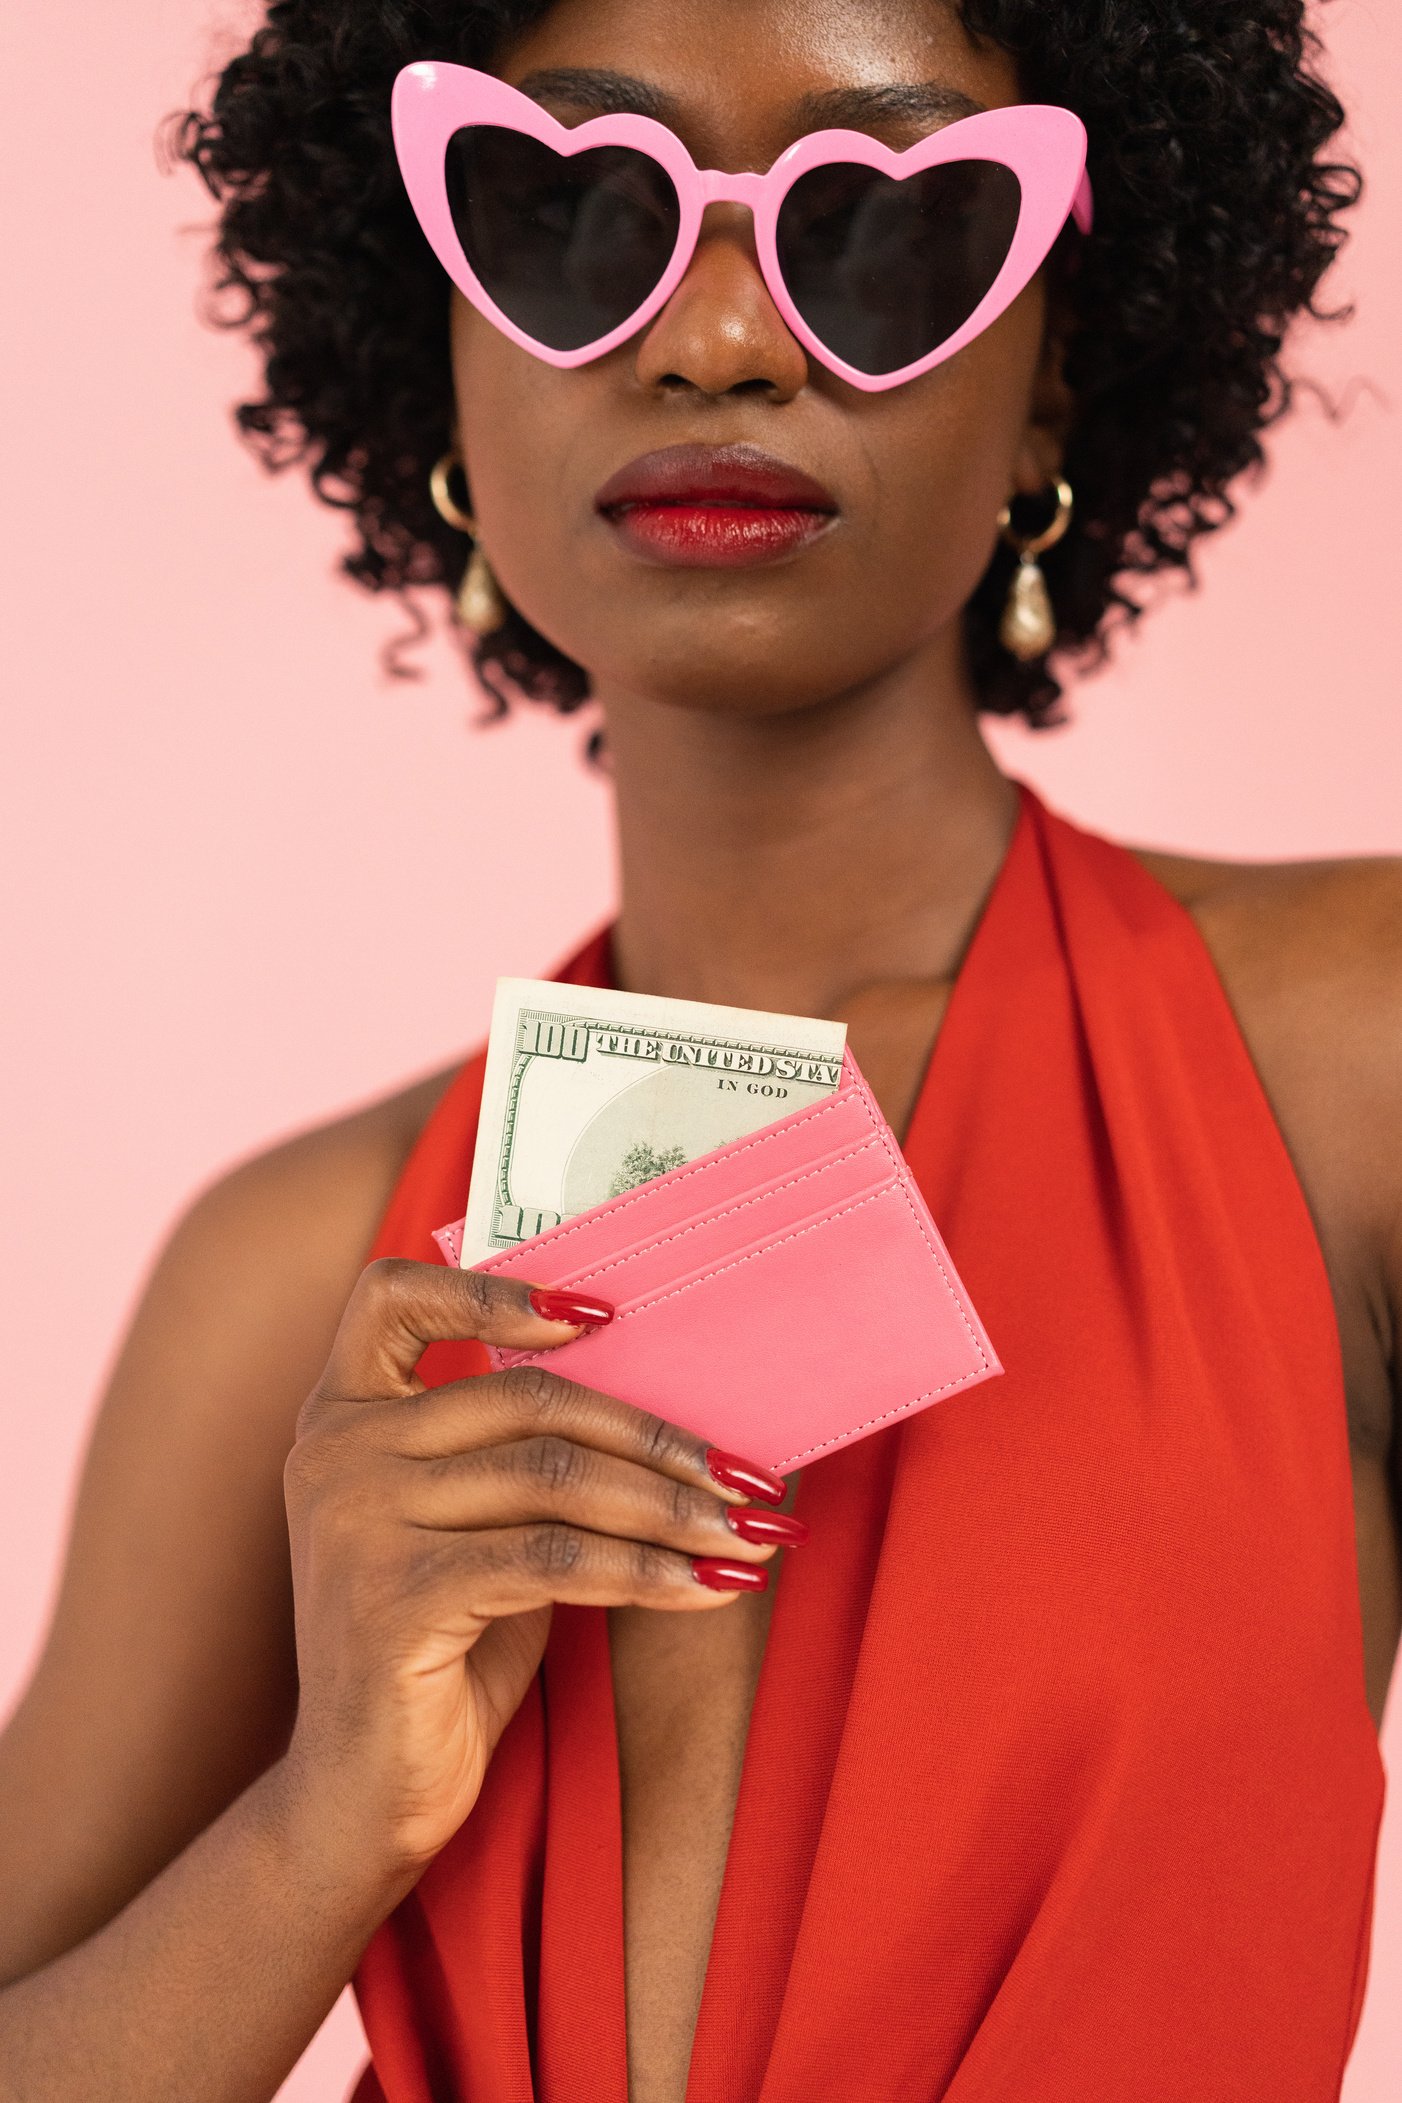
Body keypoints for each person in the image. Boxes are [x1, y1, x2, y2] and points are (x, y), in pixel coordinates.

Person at [0, 2, 1396, 2099]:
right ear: (442, 350)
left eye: (887, 231)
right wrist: (326, 1820)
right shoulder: (296, 1277)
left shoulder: (1343, 1053)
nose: (721, 346)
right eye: (573, 221)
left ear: (1052, 387)